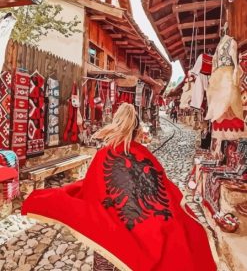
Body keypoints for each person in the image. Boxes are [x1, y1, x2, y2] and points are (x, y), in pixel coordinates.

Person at [22, 103, 216, 271]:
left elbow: (93, 191)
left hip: (113, 236)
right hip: (152, 230)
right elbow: (163, 187)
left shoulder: (103, 155)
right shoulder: (146, 155)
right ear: (138, 130)